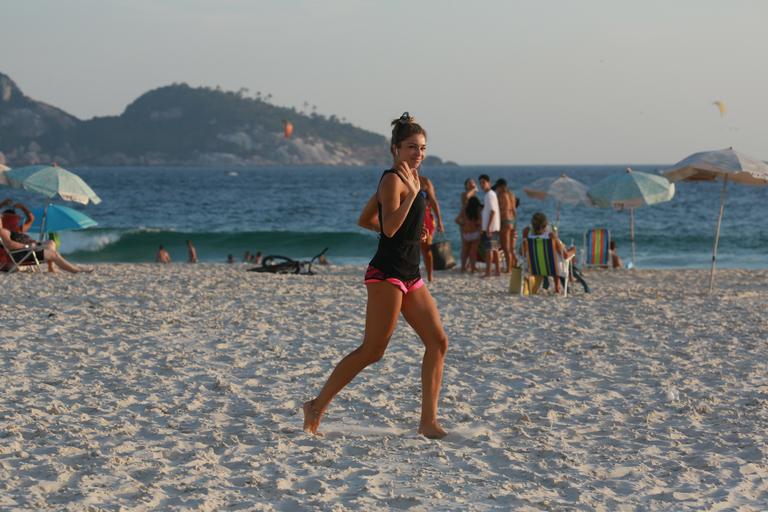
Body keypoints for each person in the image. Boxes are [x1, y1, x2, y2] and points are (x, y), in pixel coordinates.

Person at [303, 112, 449, 439]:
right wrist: (409, 198)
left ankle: (428, 422)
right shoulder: (393, 180)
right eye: (412, 147)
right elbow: (388, 225)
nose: (418, 154)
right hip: (386, 273)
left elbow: (366, 219)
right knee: (373, 350)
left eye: (422, 148)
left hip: (411, 272)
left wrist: (419, 235)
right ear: (395, 149)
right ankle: (316, 405)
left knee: (438, 342)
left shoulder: (417, 180)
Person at [525, 212, 590, 293]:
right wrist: (573, 251)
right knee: (562, 258)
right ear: (545, 226)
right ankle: (559, 286)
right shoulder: (551, 237)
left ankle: (558, 286)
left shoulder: (529, 238)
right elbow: (565, 255)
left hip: (536, 268)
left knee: (553, 258)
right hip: (554, 269)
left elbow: (522, 253)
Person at [0, 216, 91, 273]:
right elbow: (9, 244)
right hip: (23, 253)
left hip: (28, 250)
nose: (1, 219)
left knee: (51, 243)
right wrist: (27, 246)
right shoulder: (2, 231)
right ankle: (75, 270)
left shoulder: (5, 230)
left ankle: (51, 267)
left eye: (1, 218)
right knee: (53, 254)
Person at [417, 173, 444, 282]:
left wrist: (440, 221)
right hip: (409, 218)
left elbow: (433, 201)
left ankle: (429, 276)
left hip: (426, 217)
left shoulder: (425, 181)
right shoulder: (401, 179)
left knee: (427, 249)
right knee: (411, 250)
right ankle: (413, 275)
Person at [478, 174, 501, 277]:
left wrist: (488, 227)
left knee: (489, 250)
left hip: (491, 227)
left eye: (483, 182)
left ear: (489, 183)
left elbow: (493, 211)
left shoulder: (489, 195)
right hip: (494, 226)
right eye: (480, 183)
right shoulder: (491, 194)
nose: (482, 185)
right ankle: (497, 271)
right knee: (495, 249)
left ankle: (488, 272)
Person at [494, 178, 518, 272]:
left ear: (501, 186)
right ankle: (512, 265)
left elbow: (500, 209)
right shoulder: (511, 194)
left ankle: (509, 268)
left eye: (498, 187)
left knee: (505, 247)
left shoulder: (501, 195)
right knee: (510, 247)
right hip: (512, 221)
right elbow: (514, 210)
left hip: (504, 221)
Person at [460, 196, 482, 273]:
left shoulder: (464, 209)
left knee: (464, 251)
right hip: (475, 233)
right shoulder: (478, 210)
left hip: (466, 233)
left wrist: (464, 224)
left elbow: (457, 220)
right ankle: (472, 269)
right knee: (473, 252)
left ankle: (463, 268)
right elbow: (480, 221)